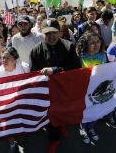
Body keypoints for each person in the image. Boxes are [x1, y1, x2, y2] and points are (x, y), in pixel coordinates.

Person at [30, 18, 81, 153]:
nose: (51, 36)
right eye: (47, 33)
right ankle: (54, 138)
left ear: (59, 33)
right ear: (42, 33)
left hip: (64, 89)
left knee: (63, 110)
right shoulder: (35, 51)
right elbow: (33, 73)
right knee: (51, 113)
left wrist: (56, 70)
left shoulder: (69, 46)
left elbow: (75, 67)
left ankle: (60, 127)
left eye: (54, 32)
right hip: (47, 91)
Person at [76, 31, 106, 143]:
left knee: (96, 110)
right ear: (85, 44)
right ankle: (83, 128)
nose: (96, 44)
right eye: (92, 43)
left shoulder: (103, 55)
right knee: (84, 110)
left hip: (98, 90)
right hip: (84, 90)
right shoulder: (81, 56)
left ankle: (91, 127)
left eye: (98, 42)